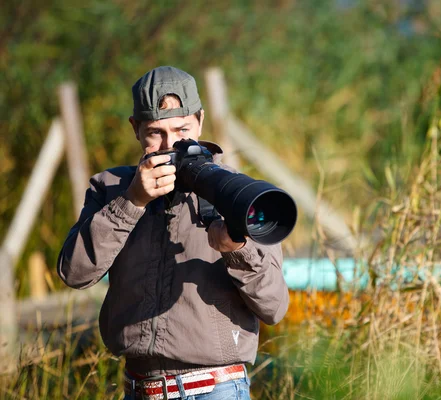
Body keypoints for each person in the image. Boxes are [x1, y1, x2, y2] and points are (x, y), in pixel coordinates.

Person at [57, 66, 290, 400]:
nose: (171, 145)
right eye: (155, 132)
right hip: (138, 388)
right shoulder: (110, 189)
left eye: (182, 129)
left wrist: (236, 248)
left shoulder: (238, 195)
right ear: (135, 129)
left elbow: (274, 307)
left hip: (216, 389)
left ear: (200, 121)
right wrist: (132, 202)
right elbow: (73, 273)